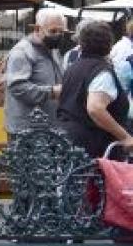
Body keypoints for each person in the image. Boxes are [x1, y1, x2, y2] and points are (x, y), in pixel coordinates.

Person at [57, 21, 133, 158]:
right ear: (109, 44)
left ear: (81, 43)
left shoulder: (73, 68)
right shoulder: (101, 72)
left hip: (68, 140)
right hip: (92, 148)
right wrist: (125, 137)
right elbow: (95, 108)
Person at [4, 8, 65, 139]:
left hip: (50, 127)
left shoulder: (53, 50)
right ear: (37, 29)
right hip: (27, 130)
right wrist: (52, 92)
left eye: (61, 32)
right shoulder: (22, 52)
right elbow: (17, 87)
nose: (58, 35)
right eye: (53, 31)